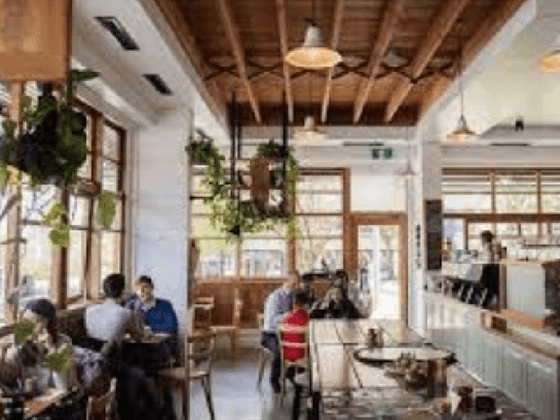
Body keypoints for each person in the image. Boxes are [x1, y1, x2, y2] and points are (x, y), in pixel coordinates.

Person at [0, 298, 78, 392]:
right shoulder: (22, 346)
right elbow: (7, 378)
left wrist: (51, 349)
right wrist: (3, 351)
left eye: (35, 321)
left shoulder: (64, 343)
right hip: (34, 401)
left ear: (48, 324)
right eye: (25, 321)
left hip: (62, 401)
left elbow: (63, 387)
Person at [261, 271, 298, 393]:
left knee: (300, 346)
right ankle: (274, 381)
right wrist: (288, 315)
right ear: (286, 281)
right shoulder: (275, 297)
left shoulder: (293, 296)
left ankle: (291, 374)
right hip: (270, 335)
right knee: (280, 351)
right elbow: (272, 320)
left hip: (285, 333)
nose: (296, 285)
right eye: (293, 282)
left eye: (297, 283)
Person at [280, 289, 309, 420]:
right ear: (306, 304)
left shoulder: (286, 318)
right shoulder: (306, 318)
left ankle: (291, 371)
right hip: (302, 356)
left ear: (293, 303)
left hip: (287, 355)